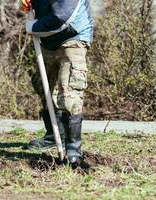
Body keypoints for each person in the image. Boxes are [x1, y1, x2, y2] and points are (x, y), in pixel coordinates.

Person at [20, 0, 93, 164]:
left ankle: (73, 150)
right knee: (42, 84)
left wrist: (33, 27)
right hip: (50, 41)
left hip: (73, 37)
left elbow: (61, 15)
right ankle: (54, 135)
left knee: (69, 93)